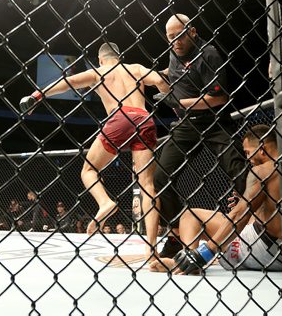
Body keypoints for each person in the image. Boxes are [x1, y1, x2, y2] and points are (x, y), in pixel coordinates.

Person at [20, 42, 170, 258]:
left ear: (101, 59)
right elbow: (159, 80)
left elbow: (68, 82)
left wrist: (37, 94)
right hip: (144, 119)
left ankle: (105, 202)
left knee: (88, 170)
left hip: (120, 118)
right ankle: (151, 247)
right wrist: (166, 92)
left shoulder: (99, 71)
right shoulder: (135, 68)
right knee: (147, 185)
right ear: (119, 56)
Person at [153, 13, 247, 259]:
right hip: (187, 125)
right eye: (171, 38)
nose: (176, 42)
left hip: (215, 121)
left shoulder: (209, 54)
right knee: (161, 176)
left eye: (180, 35)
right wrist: (157, 77)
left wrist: (179, 101)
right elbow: (176, 72)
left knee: (240, 171)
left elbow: (219, 98)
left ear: (192, 31)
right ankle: (176, 234)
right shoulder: (174, 53)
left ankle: (252, 229)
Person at [150, 124, 282, 273]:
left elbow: (240, 215)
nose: (247, 159)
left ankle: (188, 260)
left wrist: (206, 253)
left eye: (248, 152)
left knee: (190, 215)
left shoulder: (262, 171)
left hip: (263, 249)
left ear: (262, 148)